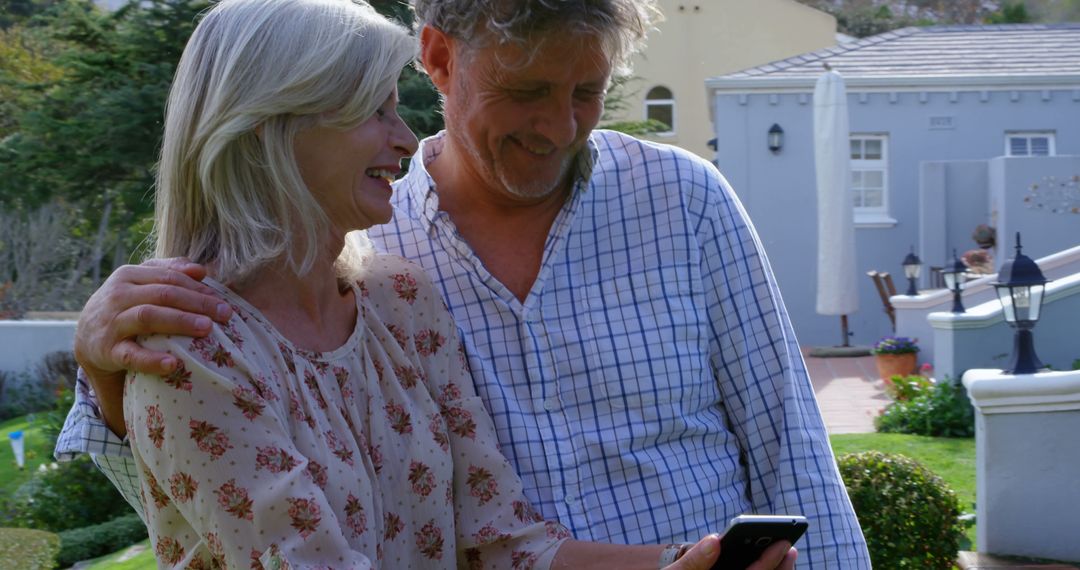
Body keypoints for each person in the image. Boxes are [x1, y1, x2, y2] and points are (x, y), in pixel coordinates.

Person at [58, 0, 869, 567]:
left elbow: (791, 447)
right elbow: (201, 498)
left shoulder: (682, 202)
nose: (560, 127)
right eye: (525, 92)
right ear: (439, 57)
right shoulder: (372, 239)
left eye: (585, 91)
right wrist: (104, 376)